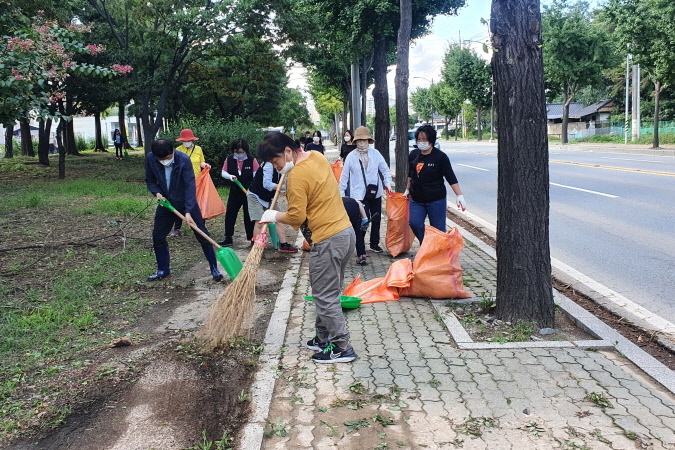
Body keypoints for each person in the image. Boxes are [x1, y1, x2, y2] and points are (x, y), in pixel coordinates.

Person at [257, 132, 357, 363]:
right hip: (345, 233)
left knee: (324, 294)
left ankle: (342, 346)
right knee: (328, 291)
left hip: (328, 238)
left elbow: (295, 216)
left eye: (276, 161)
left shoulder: (297, 177)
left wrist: (273, 215)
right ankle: (323, 337)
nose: (276, 167)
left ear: (288, 152)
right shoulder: (316, 156)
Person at [144, 139, 224, 282]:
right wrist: (156, 193)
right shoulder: (151, 158)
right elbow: (150, 180)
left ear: (172, 151)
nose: (165, 161)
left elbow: (189, 186)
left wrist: (188, 211)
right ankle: (163, 270)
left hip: (187, 202)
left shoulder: (183, 160)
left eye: (167, 158)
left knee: (202, 235)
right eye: (161, 159)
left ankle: (214, 268)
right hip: (166, 203)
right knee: (158, 236)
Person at [405, 124, 466, 244]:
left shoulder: (440, 157)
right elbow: (410, 174)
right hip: (417, 199)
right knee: (415, 223)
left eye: (424, 139)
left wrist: (460, 196)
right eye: (419, 139)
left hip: (436, 200)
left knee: (438, 230)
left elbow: (450, 177)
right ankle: (427, 245)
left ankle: (438, 254)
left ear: (431, 141)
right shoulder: (414, 154)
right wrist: (407, 190)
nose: (421, 142)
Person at [339, 126, 392, 254]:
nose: (362, 143)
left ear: (369, 141)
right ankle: (360, 244)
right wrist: (341, 194)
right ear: (355, 141)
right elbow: (344, 176)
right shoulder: (351, 156)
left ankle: (374, 243)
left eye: (364, 140)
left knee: (377, 218)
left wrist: (387, 183)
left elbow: (385, 169)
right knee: (363, 219)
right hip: (358, 194)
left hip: (375, 192)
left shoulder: (376, 154)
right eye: (359, 140)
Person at [247, 159, 298, 253]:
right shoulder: (268, 164)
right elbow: (267, 184)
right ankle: (256, 249)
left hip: (269, 197)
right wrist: (284, 187)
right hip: (255, 195)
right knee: (259, 222)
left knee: (280, 218)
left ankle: (283, 245)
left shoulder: (283, 164)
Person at [171, 129, 211, 238]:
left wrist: (205, 165)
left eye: (188, 140)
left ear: (192, 139)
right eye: (184, 140)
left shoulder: (198, 149)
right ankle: (177, 228)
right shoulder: (178, 150)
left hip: (197, 181)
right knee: (180, 204)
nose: (186, 142)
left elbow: (201, 162)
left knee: (198, 204)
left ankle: (201, 227)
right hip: (182, 182)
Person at [219, 139, 257, 247]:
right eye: (237, 152)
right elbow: (223, 172)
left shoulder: (252, 160)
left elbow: (256, 176)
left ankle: (251, 238)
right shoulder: (230, 159)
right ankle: (228, 237)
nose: (239, 154)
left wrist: (252, 189)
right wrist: (229, 176)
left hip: (248, 193)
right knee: (230, 214)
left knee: (248, 216)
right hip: (235, 191)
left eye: (241, 152)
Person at [342, 197, 369, 265]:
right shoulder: (353, 200)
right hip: (354, 208)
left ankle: (341, 255)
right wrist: (364, 218)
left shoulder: (336, 200)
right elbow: (359, 203)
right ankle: (362, 255)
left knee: (342, 232)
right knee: (357, 231)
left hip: (344, 209)